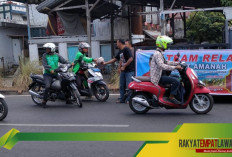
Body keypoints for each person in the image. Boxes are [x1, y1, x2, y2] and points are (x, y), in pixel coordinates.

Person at [150, 36, 182, 104]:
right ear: (162, 44)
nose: (167, 46)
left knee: (177, 78)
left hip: (161, 74)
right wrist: (175, 67)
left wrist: (177, 63)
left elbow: (166, 62)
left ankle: (174, 94)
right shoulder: (158, 54)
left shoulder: (159, 53)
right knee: (176, 81)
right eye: (167, 44)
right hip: (159, 77)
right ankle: (171, 97)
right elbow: (162, 66)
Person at [104, 39, 134, 103]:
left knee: (129, 85)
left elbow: (131, 58)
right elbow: (115, 59)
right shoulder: (120, 51)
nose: (116, 44)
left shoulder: (126, 49)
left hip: (129, 71)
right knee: (121, 85)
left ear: (120, 43)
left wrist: (124, 66)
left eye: (117, 43)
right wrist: (105, 63)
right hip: (123, 71)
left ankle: (129, 99)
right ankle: (121, 98)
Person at [42, 43, 70, 107]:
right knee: (47, 87)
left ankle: (67, 99)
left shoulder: (57, 55)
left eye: (48, 49)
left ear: (52, 49)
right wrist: (50, 70)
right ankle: (44, 101)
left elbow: (63, 61)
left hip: (56, 73)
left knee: (63, 84)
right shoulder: (45, 55)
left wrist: (69, 63)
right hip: (47, 74)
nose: (46, 50)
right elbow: (45, 64)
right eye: (46, 49)